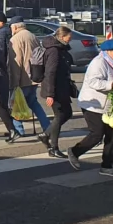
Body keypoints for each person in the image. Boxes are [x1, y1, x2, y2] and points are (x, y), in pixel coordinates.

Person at [68, 39, 113, 176]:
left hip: (107, 106)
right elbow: (93, 82)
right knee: (97, 134)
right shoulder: (98, 63)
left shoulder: (111, 62)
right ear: (107, 51)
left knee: (112, 135)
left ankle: (107, 166)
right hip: (93, 105)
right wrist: (112, 84)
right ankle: (75, 151)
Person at [7, 18, 50, 137]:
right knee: (33, 102)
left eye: (11, 27)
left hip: (23, 78)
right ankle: (47, 126)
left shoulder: (15, 39)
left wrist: (14, 82)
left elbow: (16, 62)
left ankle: (18, 130)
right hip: (34, 76)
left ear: (15, 27)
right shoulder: (32, 36)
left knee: (17, 104)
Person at [40, 25, 76, 158]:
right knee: (60, 115)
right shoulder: (54, 51)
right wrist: (50, 94)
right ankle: (53, 147)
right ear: (61, 37)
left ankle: (46, 134)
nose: (70, 40)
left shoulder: (61, 48)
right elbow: (50, 73)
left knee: (67, 113)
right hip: (55, 90)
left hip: (62, 89)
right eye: (68, 37)